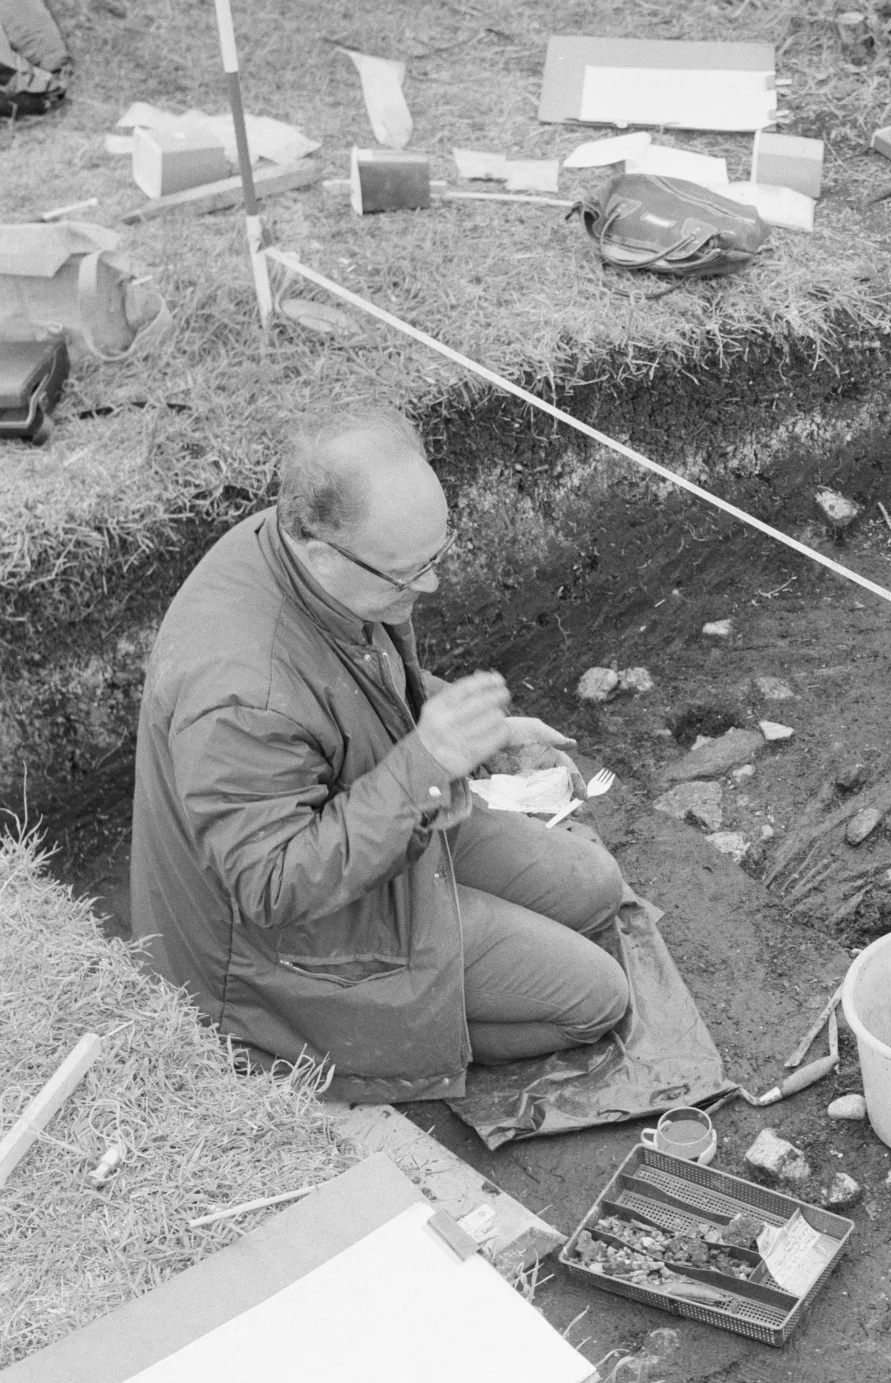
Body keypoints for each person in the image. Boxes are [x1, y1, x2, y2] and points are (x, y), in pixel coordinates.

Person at [131, 401, 631, 1103]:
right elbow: (274, 886)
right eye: (408, 574)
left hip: (373, 815)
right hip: (282, 942)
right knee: (596, 1002)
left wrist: (478, 735)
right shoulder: (243, 694)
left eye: (436, 555)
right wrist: (427, 762)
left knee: (595, 888)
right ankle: (391, 1044)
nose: (428, 585)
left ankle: (450, 949)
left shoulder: (312, 556)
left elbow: (351, 688)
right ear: (320, 551)